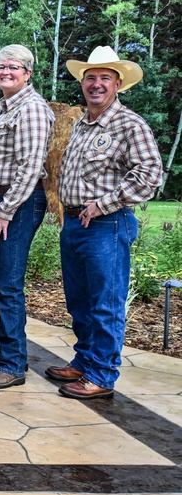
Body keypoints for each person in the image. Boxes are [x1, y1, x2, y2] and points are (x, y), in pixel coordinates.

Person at [47, 47, 163, 399]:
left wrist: (104, 203)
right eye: (91, 78)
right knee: (79, 301)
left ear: (118, 84)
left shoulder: (129, 124)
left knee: (105, 303)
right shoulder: (82, 124)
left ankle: (101, 374)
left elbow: (152, 174)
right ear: (83, 83)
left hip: (107, 225)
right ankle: (84, 361)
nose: (96, 84)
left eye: (104, 79)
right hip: (75, 223)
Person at [0, 45, 54, 384]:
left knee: (9, 284)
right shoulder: (7, 109)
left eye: (13, 67)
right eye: (1, 66)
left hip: (18, 203)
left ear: (28, 72)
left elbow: (31, 167)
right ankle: (8, 349)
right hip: (1, 200)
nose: (5, 71)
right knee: (2, 280)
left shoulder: (32, 109)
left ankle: (13, 364)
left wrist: (5, 209)